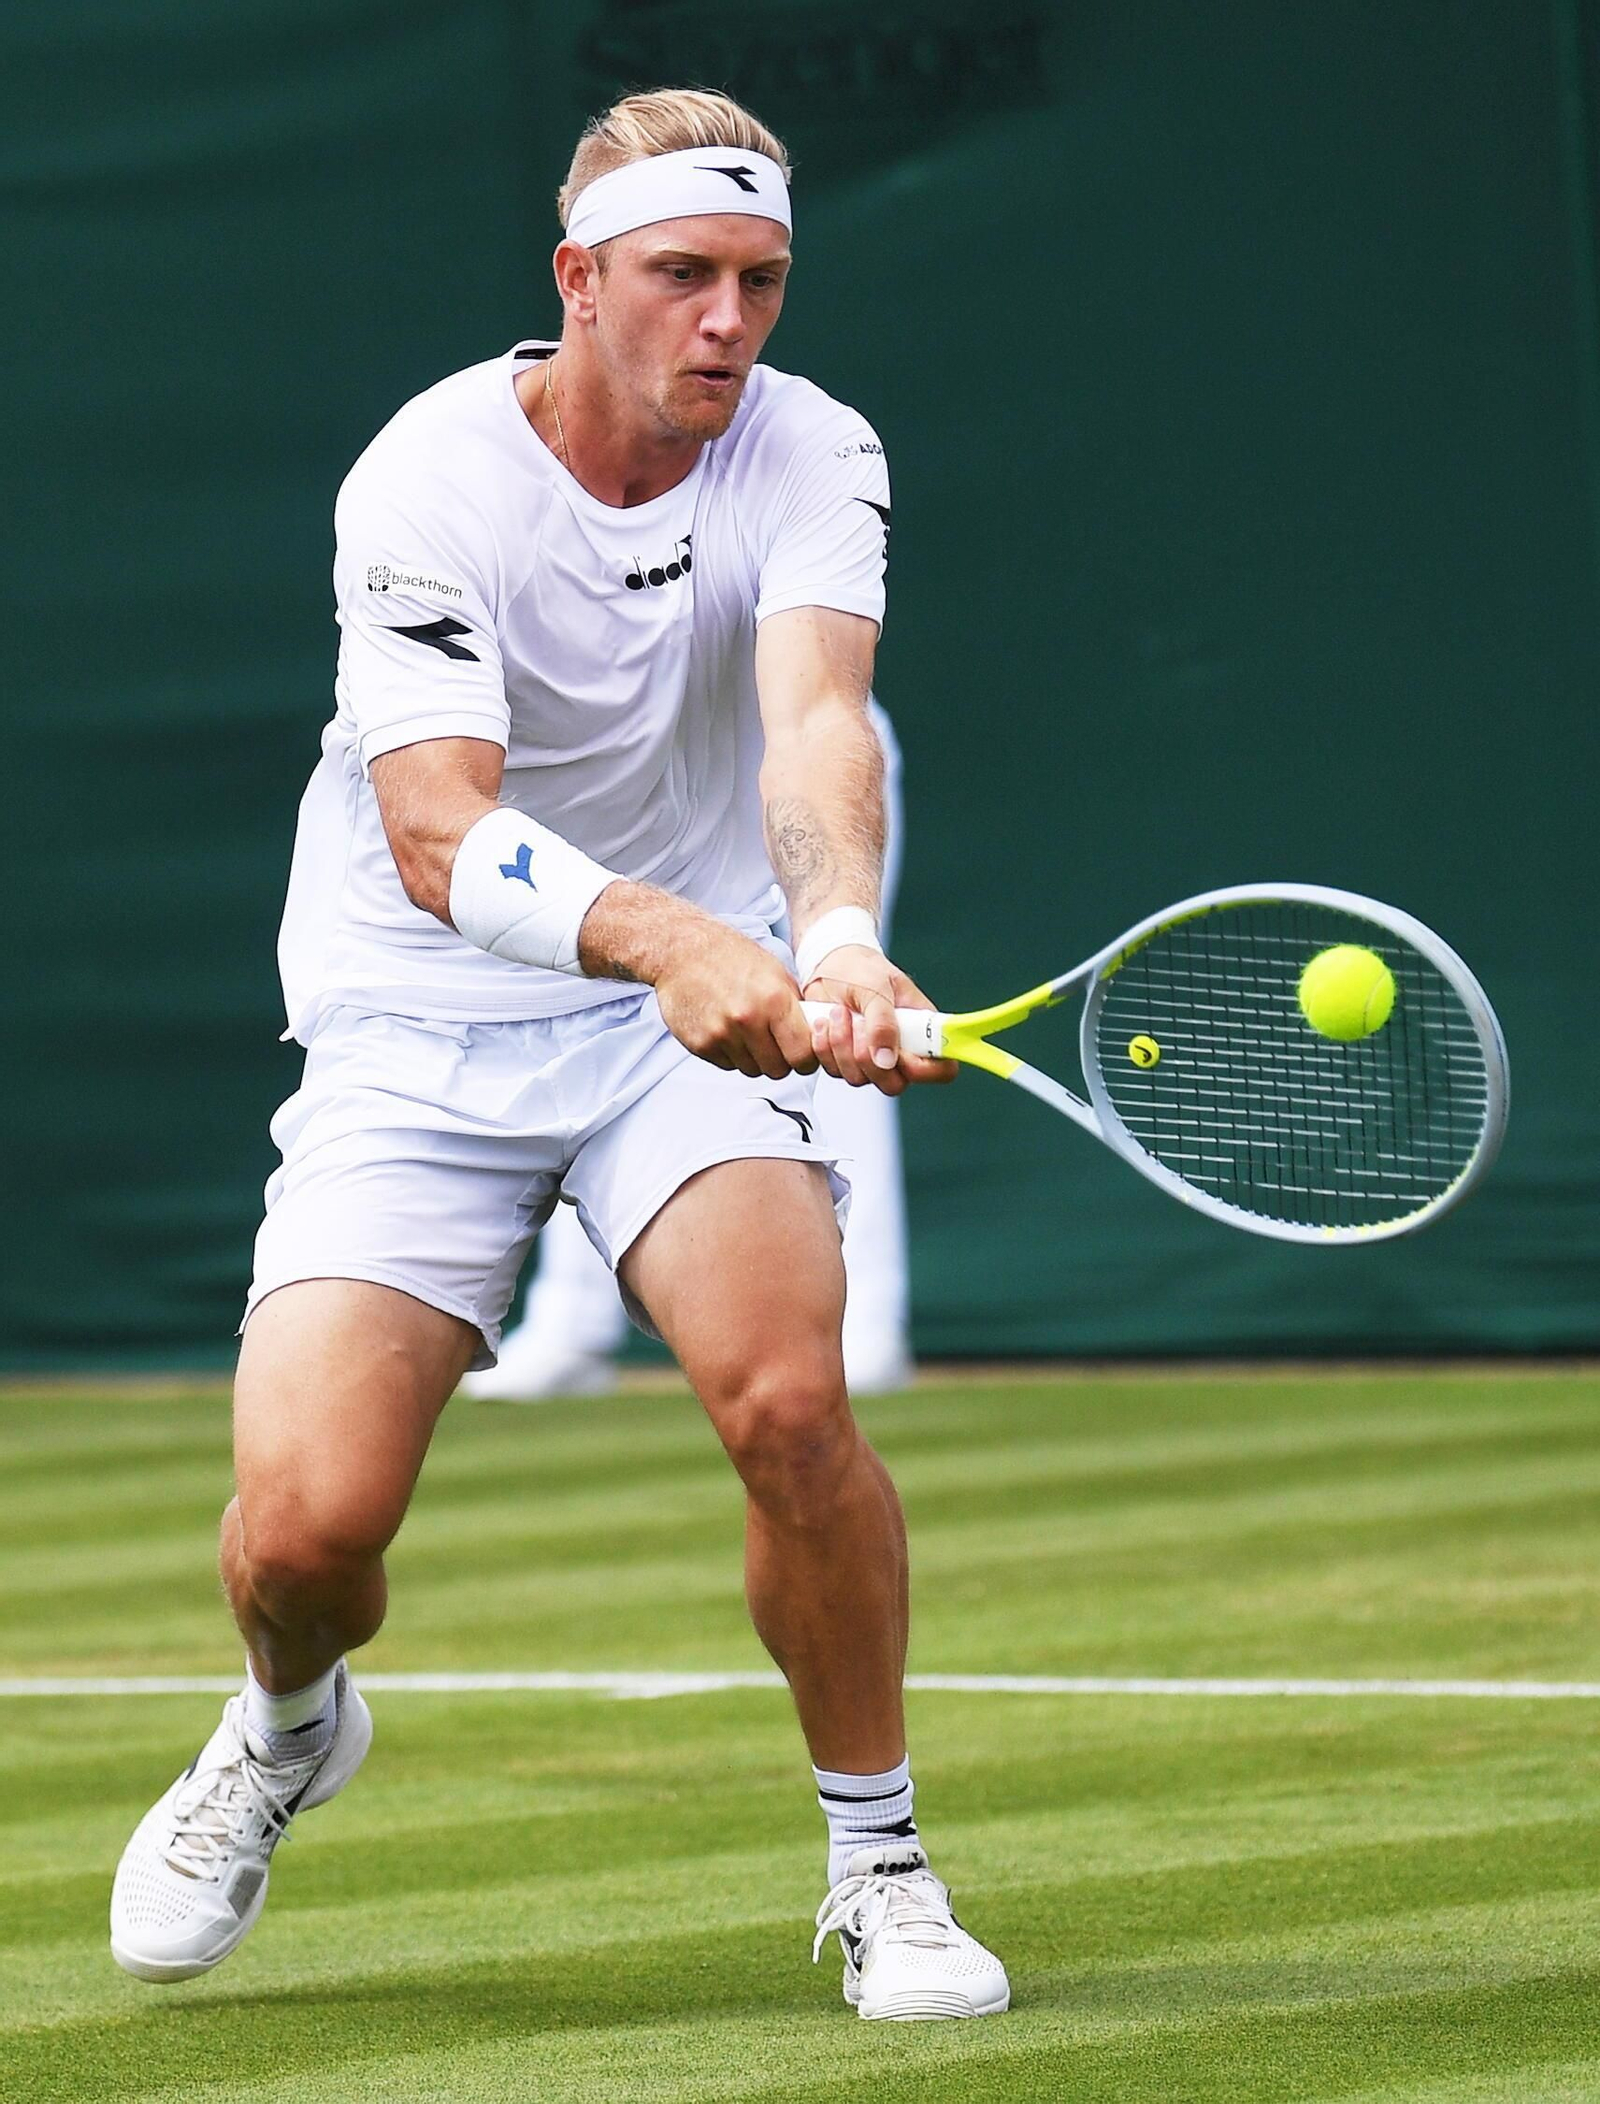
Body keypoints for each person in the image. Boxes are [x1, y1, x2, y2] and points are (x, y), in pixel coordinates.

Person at [110, 88, 1009, 2023]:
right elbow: (439, 831)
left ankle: (884, 1864)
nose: (728, 322)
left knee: (787, 1398)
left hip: (673, 1025)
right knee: (306, 1529)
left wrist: (830, 934)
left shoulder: (811, 443)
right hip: (421, 1012)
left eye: (761, 282)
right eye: (685, 277)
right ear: (577, 279)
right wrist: (677, 937)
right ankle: (284, 1725)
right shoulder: (426, 475)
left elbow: (816, 723)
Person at [464, 698, 911, 1401]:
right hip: (602, 770)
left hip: (770, 757)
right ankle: (572, 1323)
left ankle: (866, 1319)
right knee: (588, 1007)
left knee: (834, 1011)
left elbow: (815, 688)